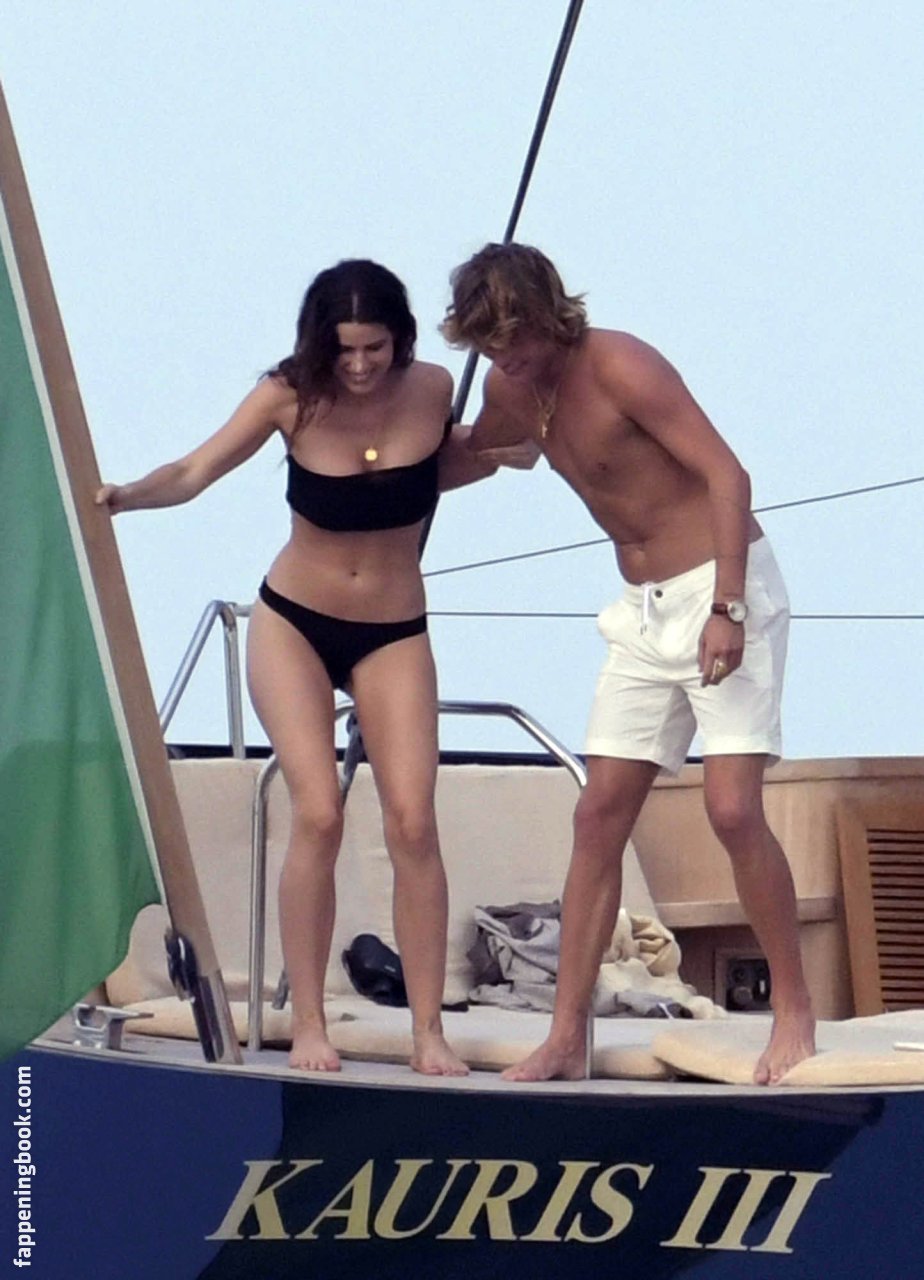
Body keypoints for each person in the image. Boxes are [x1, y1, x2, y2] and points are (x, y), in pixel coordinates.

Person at [97, 258, 534, 1076]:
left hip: (393, 629)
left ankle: (428, 1032)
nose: (360, 365)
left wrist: (519, 437)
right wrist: (124, 497)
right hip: (295, 622)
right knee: (321, 813)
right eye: (345, 350)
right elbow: (193, 471)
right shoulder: (286, 396)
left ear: (401, 340)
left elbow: (455, 463)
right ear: (318, 344)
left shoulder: (433, 388)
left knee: (413, 822)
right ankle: (307, 1023)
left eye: (374, 348)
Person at [441, 242, 816, 1086]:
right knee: (598, 814)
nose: (506, 355)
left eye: (516, 337)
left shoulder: (621, 364)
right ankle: (565, 1036)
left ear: (548, 314)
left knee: (731, 809)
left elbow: (727, 474)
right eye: (489, 343)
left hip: (721, 585)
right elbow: (483, 455)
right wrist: (373, 463)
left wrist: (728, 607)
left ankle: (794, 1008)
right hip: (641, 612)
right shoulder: (509, 388)